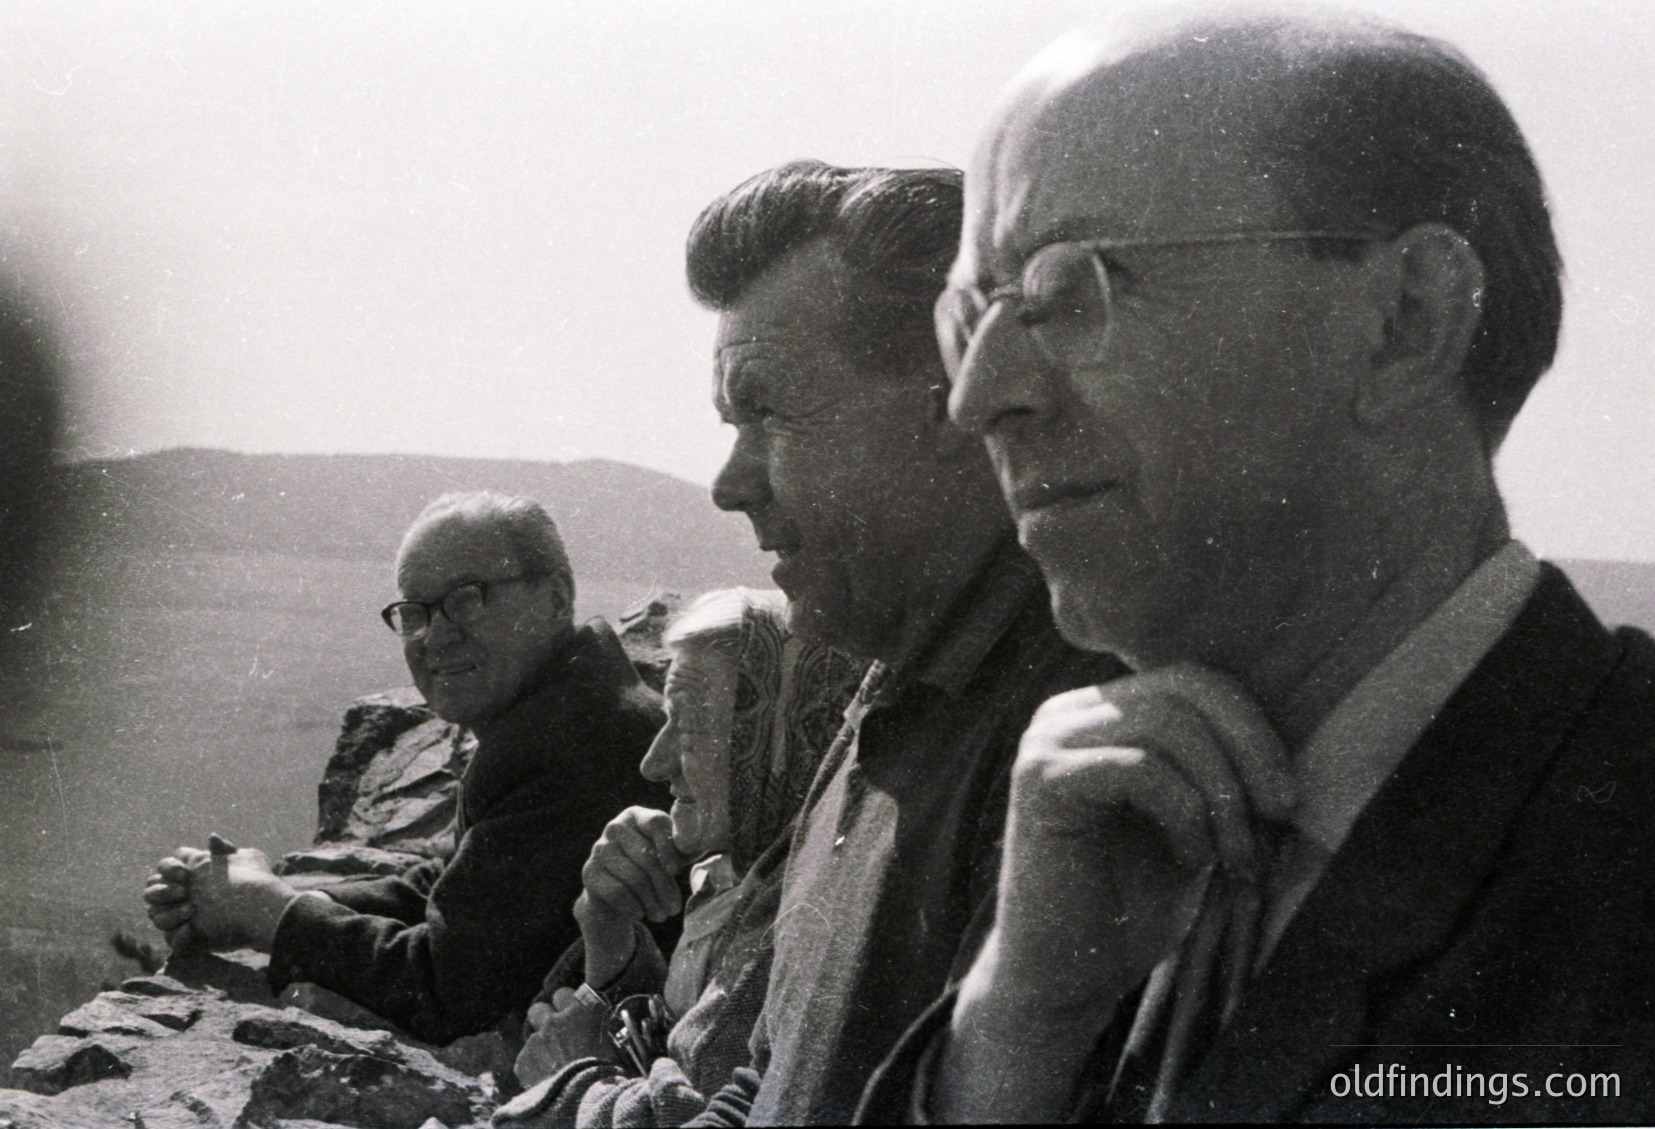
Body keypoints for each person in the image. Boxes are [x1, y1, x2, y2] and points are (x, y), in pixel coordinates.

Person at [858, 7, 1655, 1123]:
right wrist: (1013, 1030)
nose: (977, 396)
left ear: (1403, 322)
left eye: (1072, 286)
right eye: (970, 315)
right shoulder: (1095, 841)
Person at [685, 160, 1127, 1125]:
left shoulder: (1085, 745)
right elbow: (773, 1075)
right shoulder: (889, 696)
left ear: (959, 401)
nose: (729, 481)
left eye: (765, 411)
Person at [142, 491, 667, 1046]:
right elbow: (450, 889)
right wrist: (269, 890)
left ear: (556, 598)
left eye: (467, 598)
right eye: (413, 613)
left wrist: (269, 912)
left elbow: (446, 989)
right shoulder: (567, 704)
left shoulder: (576, 743)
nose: (434, 635)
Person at [494, 587, 864, 1127]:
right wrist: (609, 933)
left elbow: (689, 1107)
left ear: (778, 737)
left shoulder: (795, 919)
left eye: (688, 726)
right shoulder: (736, 879)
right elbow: (688, 1060)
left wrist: (576, 1076)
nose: (653, 762)